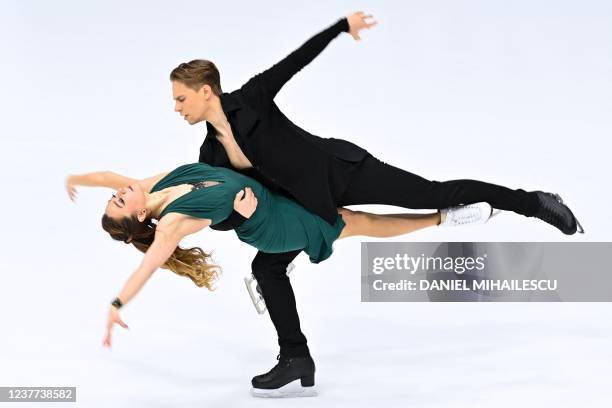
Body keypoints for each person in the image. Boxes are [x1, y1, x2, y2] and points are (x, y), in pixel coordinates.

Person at [168, 10, 584, 396]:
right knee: (266, 267)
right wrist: (233, 217)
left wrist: (340, 27)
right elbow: (218, 213)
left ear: (206, 91)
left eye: (181, 99)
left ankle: (533, 203)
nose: (176, 108)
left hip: (341, 170)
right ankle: (296, 355)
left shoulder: (252, 99)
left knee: (432, 192)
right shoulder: (211, 156)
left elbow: (295, 61)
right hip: (308, 207)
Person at [65, 163, 491, 350]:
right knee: (352, 222)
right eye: (118, 201)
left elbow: (105, 176)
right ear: (140, 214)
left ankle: (279, 267)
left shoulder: (150, 185)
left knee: (346, 207)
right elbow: (148, 265)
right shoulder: (173, 220)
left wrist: (73, 177)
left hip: (269, 193)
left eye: (114, 197)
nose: (117, 192)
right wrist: (117, 304)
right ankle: (443, 219)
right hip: (271, 224)